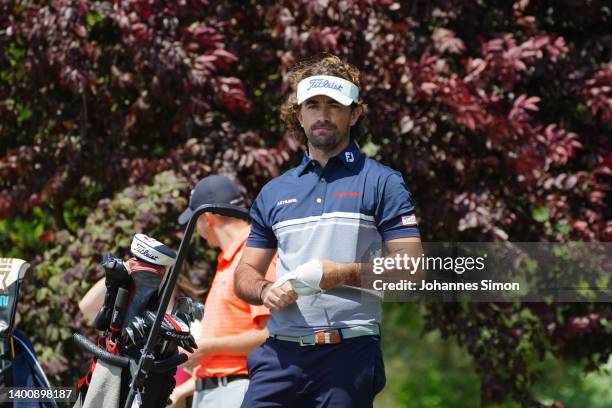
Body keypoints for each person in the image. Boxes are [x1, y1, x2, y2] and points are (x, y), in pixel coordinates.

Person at [234, 54, 422, 407]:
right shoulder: (274, 191)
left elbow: (411, 271)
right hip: (279, 357)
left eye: (334, 105)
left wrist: (341, 274)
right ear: (299, 115)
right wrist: (264, 290)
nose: (323, 115)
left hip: (348, 355)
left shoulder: (382, 182)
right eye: (313, 105)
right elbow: (245, 273)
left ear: (354, 114)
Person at [172, 175, 274, 408]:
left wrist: (207, 347)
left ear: (207, 219)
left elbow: (271, 335)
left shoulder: (253, 256)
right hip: (218, 389)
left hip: (238, 389)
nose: (194, 229)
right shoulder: (232, 258)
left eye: (193, 222)